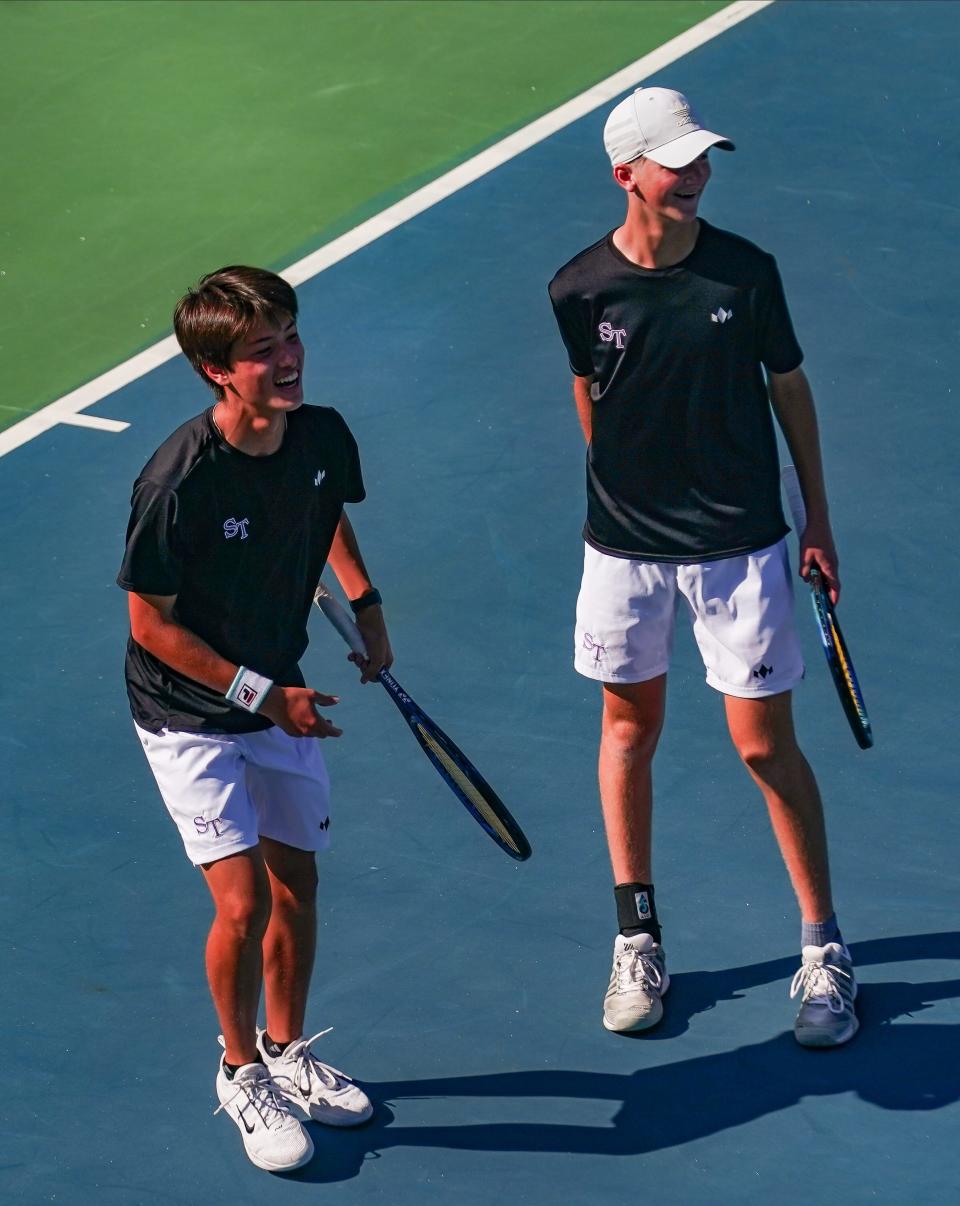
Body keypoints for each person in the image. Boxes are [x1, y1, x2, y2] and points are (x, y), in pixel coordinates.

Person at [548, 87, 858, 1046]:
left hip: (742, 546)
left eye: (702, 159)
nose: (697, 175)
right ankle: (636, 935)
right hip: (625, 550)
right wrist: (621, 494)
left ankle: (823, 948)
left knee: (764, 746)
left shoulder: (745, 275)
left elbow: (788, 389)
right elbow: (592, 398)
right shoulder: (579, 289)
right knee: (627, 730)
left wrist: (815, 516)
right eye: (676, 162)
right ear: (626, 173)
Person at [117, 265, 392, 1171]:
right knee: (238, 903)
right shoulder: (176, 481)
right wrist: (264, 698)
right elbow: (150, 625)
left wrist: (367, 602)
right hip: (188, 716)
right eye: (261, 352)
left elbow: (328, 510)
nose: (287, 361)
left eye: (290, 339)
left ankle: (285, 1050)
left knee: (298, 885)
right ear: (215, 372)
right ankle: (239, 1073)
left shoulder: (319, 436)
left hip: (277, 689)